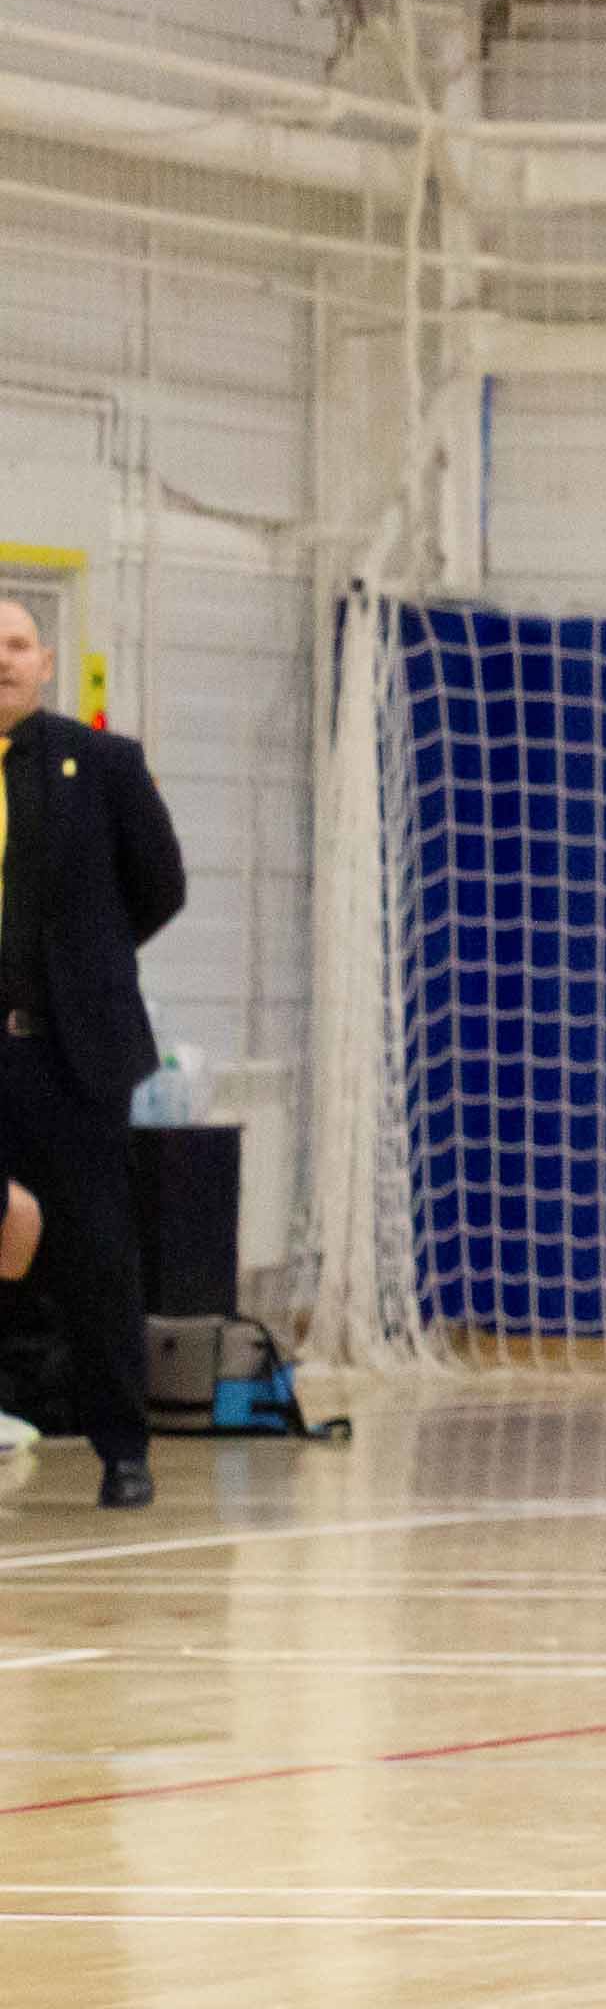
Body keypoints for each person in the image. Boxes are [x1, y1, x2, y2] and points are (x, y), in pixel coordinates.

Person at [0, 598, 182, 1511]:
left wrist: (86, 969)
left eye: (17, 644)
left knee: (97, 1249)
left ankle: (122, 1449)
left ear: (45, 661)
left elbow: (159, 886)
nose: (2, 660)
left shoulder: (101, 764)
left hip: (70, 1053)